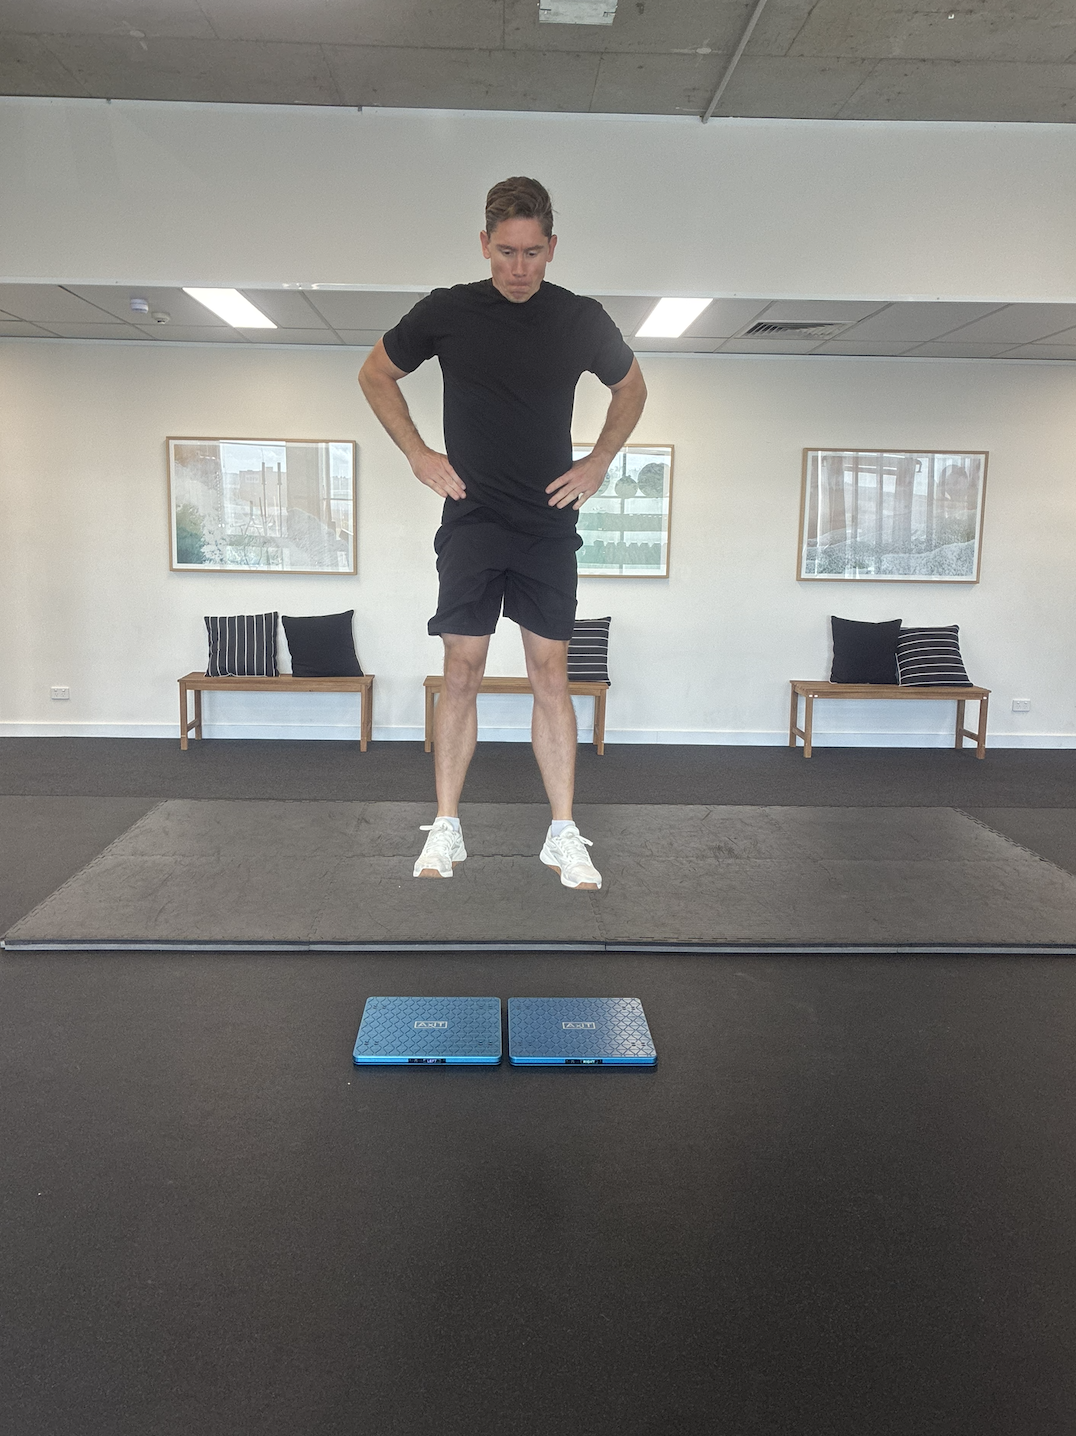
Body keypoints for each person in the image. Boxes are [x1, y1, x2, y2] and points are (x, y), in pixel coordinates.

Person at [358, 176, 647, 890]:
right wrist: (419, 454)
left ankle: (562, 834)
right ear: (484, 244)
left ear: (553, 248)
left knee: (553, 675)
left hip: (548, 523)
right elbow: (375, 373)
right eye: (507, 253)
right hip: (474, 520)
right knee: (463, 671)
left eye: (533, 253)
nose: (519, 269)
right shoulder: (448, 311)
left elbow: (632, 388)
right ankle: (447, 828)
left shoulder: (580, 319)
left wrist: (600, 460)